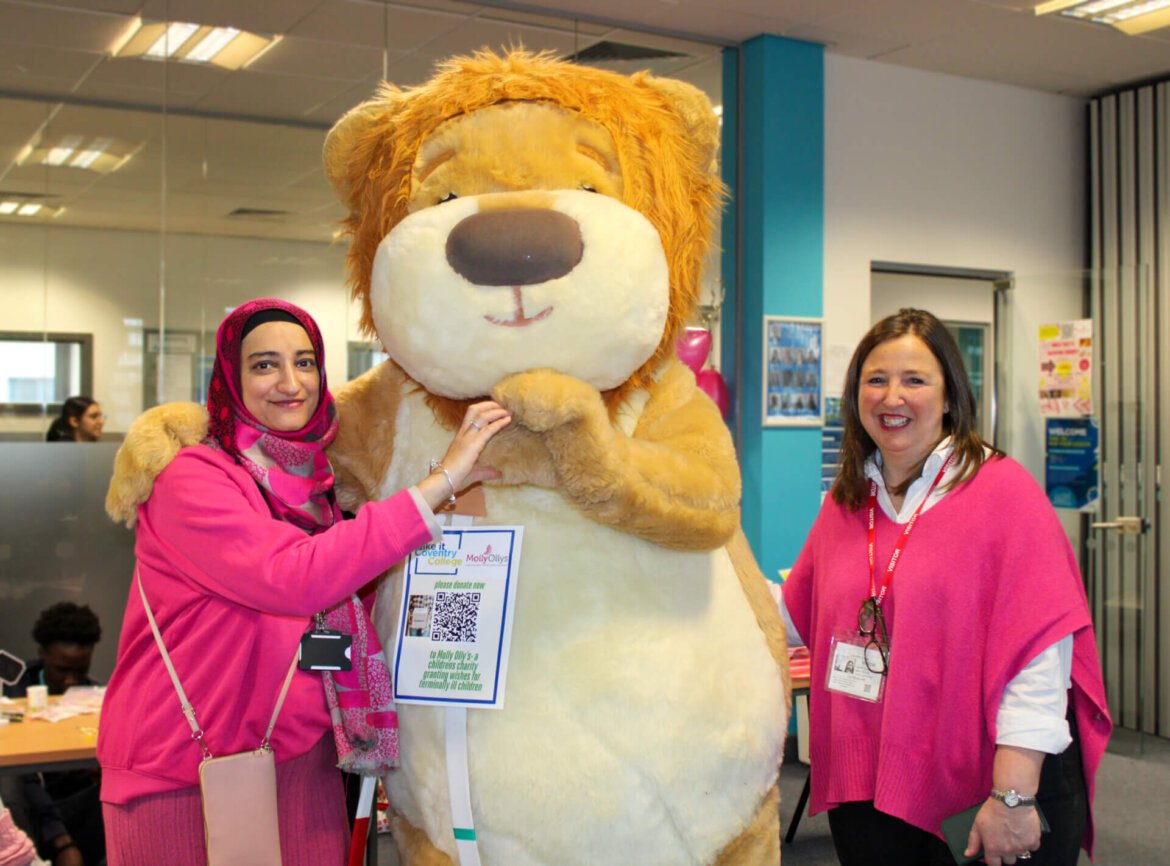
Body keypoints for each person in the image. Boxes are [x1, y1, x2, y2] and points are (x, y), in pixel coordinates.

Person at [97, 298, 511, 865]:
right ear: (230, 379)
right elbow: (294, 576)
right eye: (264, 365)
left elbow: (352, 580)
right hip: (184, 772)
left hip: (301, 759)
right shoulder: (190, 478)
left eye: (306, 362)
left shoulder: (316, 485)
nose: (292, 383)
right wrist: (439, 483)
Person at [780, 308, 1111, 866]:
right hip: (871, 787)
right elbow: (793, 614)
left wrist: (1012, 794)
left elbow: (1039, 657)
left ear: (951, 396)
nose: (892, 397)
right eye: (876, 379)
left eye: (915, 380)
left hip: (987, 789)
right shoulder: (847, 501)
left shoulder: (1003, 495)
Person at [2, 603, 103, 866]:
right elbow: (22, 776)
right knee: (9, 780)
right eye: (62, 670)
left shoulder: (94, 697)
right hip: (30, 814)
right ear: (42, 654)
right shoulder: (14, 692)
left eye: (80, 671)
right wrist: (61, 840)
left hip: (74, 809)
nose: (71, 680)